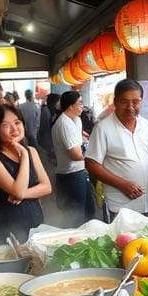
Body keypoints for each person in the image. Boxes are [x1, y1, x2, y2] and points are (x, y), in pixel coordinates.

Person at [85, 78, 148, 218]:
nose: (130, 107)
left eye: (135, 102)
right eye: (124, 101)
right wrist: (122, 184)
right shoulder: (103, 128)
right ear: (115, 102)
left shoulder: (146, 125)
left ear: (141, 102)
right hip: (122, 206)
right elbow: (91, 164)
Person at [0, 105, 52, 244]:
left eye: (17, 123)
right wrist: (24, 155)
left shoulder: (32, 151)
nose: (14, 129)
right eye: (6, 125)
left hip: (34, 223)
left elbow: (47, 187)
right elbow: (17, 191)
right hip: (5, 231)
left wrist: (23, 194)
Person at [52, 91, 96, 226]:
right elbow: (75, 155)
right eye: (80, 103)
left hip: (79, 172)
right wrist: (93, 159)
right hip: (70, 175)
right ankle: (75, 242)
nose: (82, 106)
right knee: (76, 215)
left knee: (89, 210)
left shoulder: (75, 120)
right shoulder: (64, 124)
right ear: (70, 106)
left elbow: (80, 141)